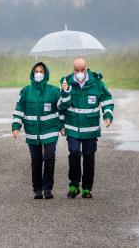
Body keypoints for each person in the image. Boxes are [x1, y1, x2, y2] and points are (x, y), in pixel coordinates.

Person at [12, 62, 70, 199]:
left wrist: (65, 92)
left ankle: (48, 188)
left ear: (46, 74)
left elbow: (64, 105)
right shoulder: (26, 91)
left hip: (50, 131)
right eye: (36, 71)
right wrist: (16, 126)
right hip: (32, 132)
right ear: (32, 74)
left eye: (41, 71)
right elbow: (19, 109)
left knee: (49, 158)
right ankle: (37, 188)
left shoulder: (54, 91)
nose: (38, 73)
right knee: (36, 160)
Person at [60, 58, 114, 199]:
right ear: (73, 70)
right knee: (74, 153)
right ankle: (74, 185)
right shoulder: (66, 82)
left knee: (89, 157)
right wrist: (64, 92)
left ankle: (86, 188)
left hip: (90, 128)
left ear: (86, 68)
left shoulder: (96, 83)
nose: (79, 73)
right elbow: (61, 106)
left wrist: (107, 115)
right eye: (76, 70)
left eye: (82, 70)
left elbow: (107, 100)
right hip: (72, 127)